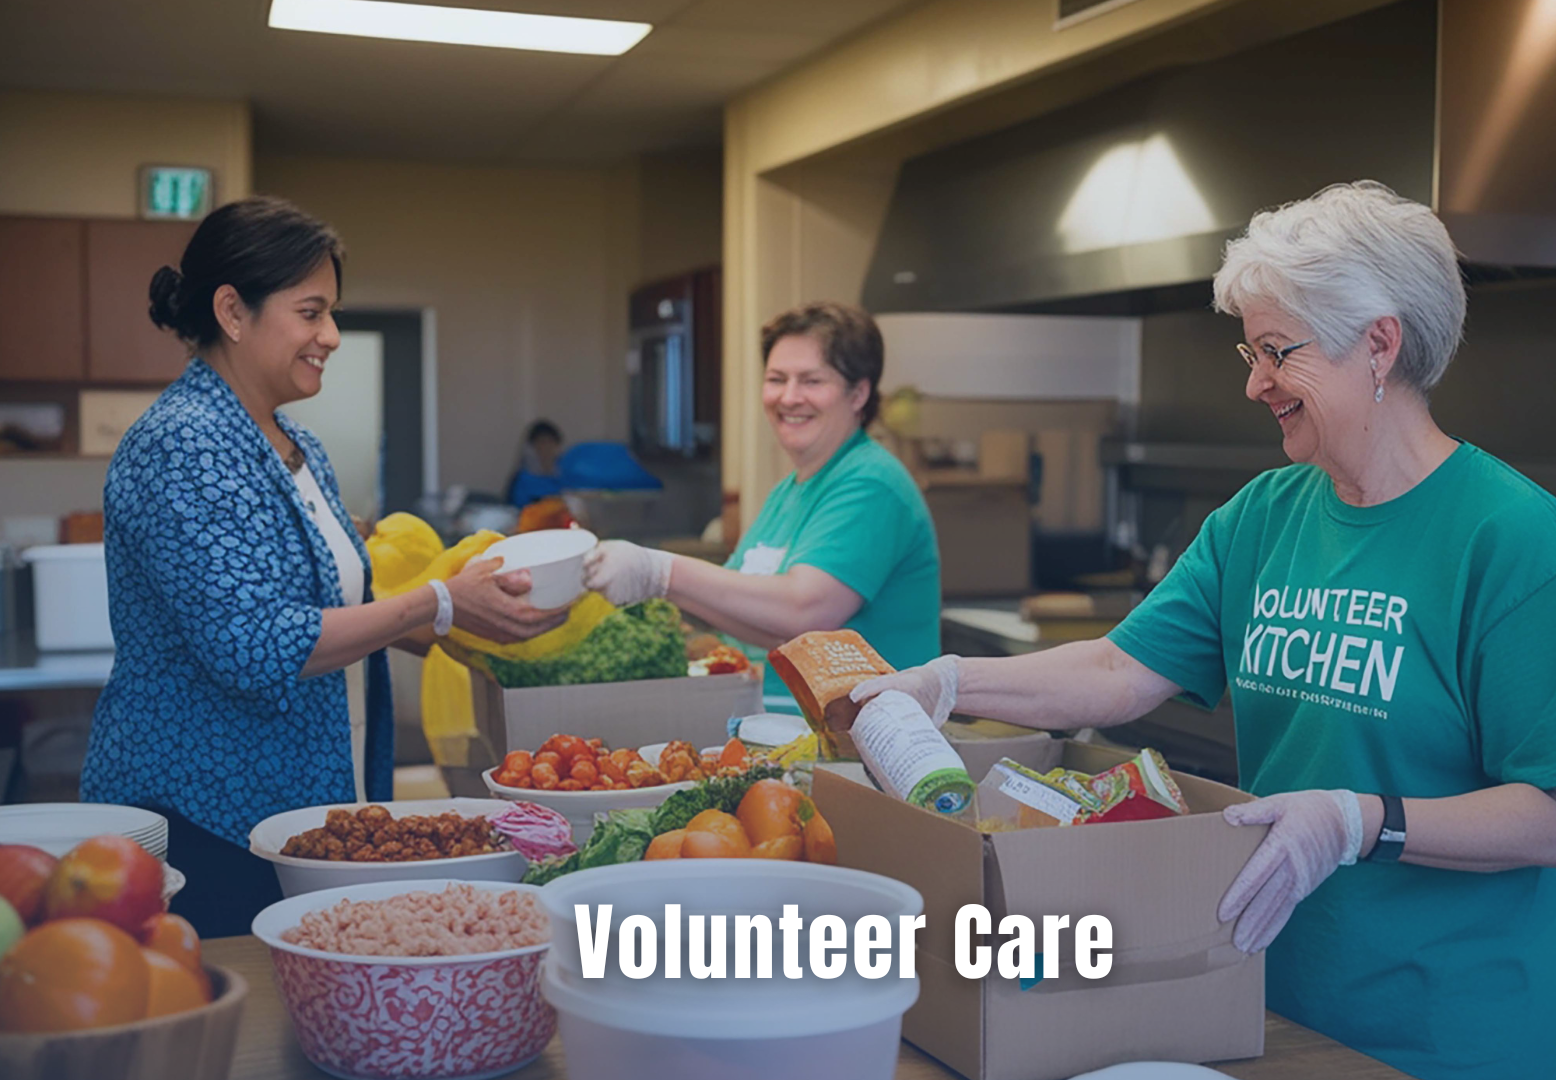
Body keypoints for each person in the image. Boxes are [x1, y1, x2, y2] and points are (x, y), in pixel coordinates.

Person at [852, 183, 1556, 1080]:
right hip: (1269, 994)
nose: (1255, 383)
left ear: (1379, 342)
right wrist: (944, 685)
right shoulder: (1263, 515)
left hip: (1440, 1033)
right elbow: (1115, 668)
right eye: (1249, 351)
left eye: (1276, 352)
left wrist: (1359, 821)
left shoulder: (1515, 542)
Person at [81, 196, 568, 936]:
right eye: (311, 313)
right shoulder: (182, 443)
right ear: (233, 312)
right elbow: (254, 646)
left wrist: (479, 619)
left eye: (331, 313)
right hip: (207, 813)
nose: (331, 336)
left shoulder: (296, 445)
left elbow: (336, 610)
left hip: (301, 807)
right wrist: (436, 601)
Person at [582, 301, 941, 701]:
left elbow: (804, 613)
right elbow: (746, 620)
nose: (788, 397)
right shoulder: (788, 491)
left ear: (858, 393)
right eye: (776, 378)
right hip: (775, 734)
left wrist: (659, 571)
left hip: (857, 746)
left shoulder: (872, 484)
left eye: (811, 381)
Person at [507, 419, 563, 507]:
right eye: (543, 442)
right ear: (531, 447)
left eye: (552, 442)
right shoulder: (522, 479)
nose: (548, 447)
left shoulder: (565, 473)